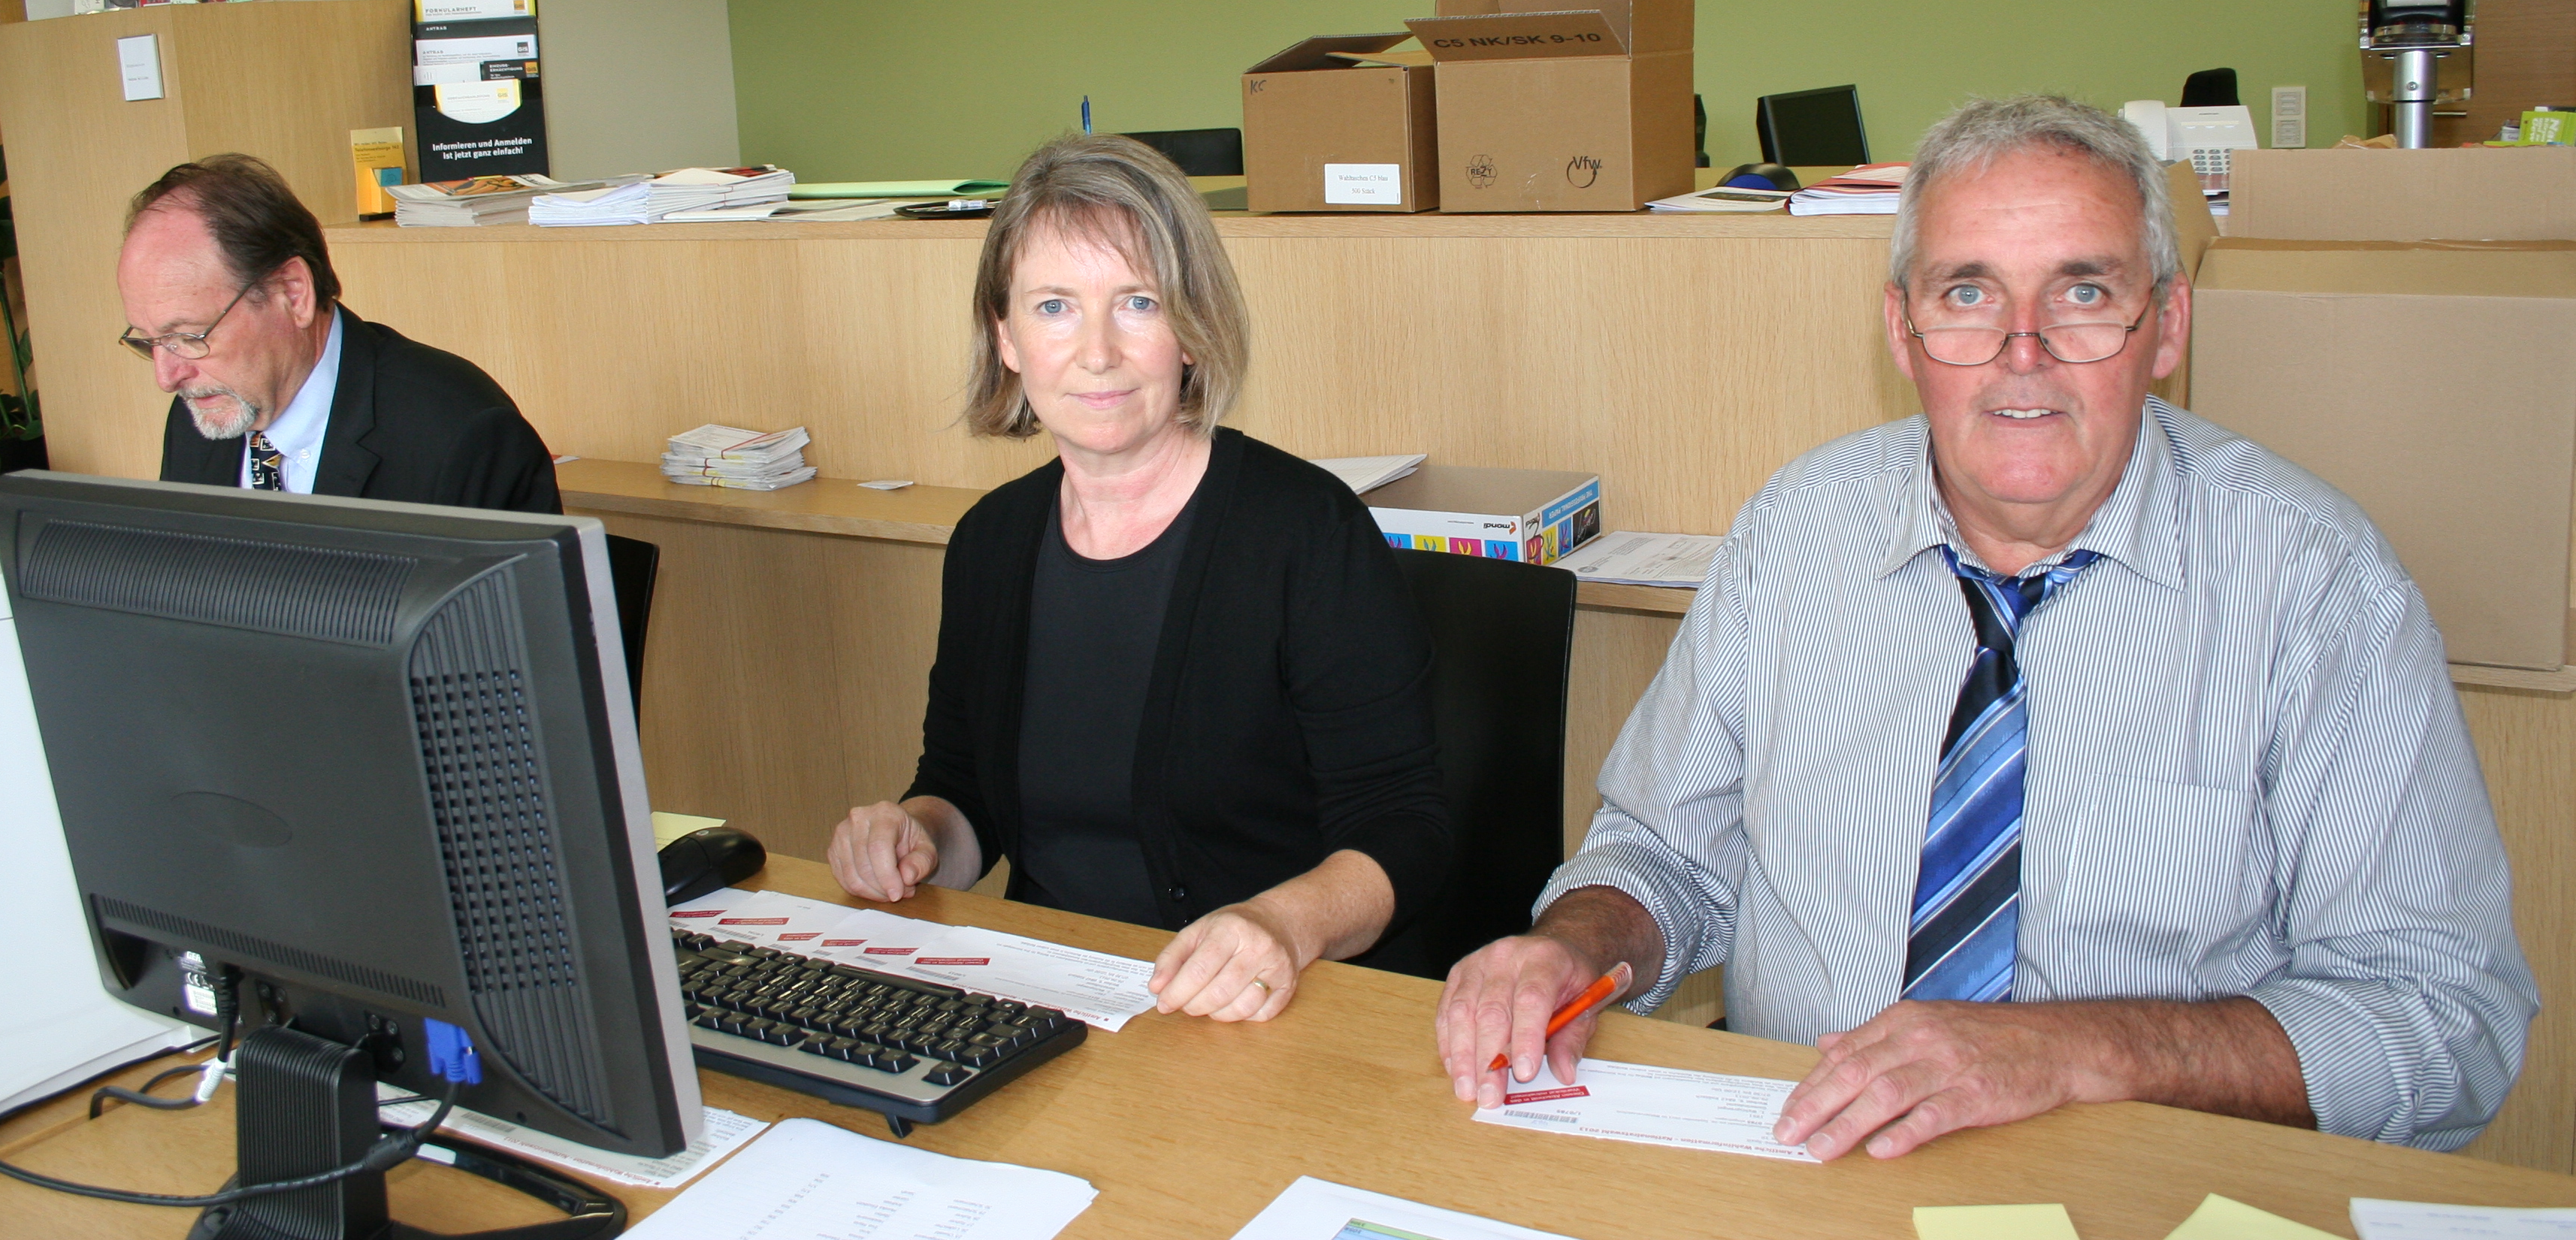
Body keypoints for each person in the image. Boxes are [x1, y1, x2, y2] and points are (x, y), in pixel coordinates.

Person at [1438, 95, 2535, 1156]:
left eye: (2083, 292)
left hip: (2144, 1182)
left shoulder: (2316, 580)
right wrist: (1569, 947)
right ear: (1903, 328)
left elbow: (2444, 1016)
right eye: (1968, 293)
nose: (2023, 351)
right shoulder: (1797, 531)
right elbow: (1662, 853)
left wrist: (2073, 1052)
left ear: (2166, 326)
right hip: (1809, 1161)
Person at [827, 134, 1446, 1023]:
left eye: (1138, 303)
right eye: (1054, 307)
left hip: (1270, 1009)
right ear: (1005, 337)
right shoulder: (990, 544)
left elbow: (1406, 828)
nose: (1098, 352)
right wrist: (913, 834)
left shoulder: (1306, 534)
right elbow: (965, 793)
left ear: (1191, 329)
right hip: (1052, 1002)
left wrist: (1284, 923)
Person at [116, 153, 562, 513]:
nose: (167, 378)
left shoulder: (460, 435)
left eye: (190, 337)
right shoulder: (201, 418)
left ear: (293, 294)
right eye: (151, 342)